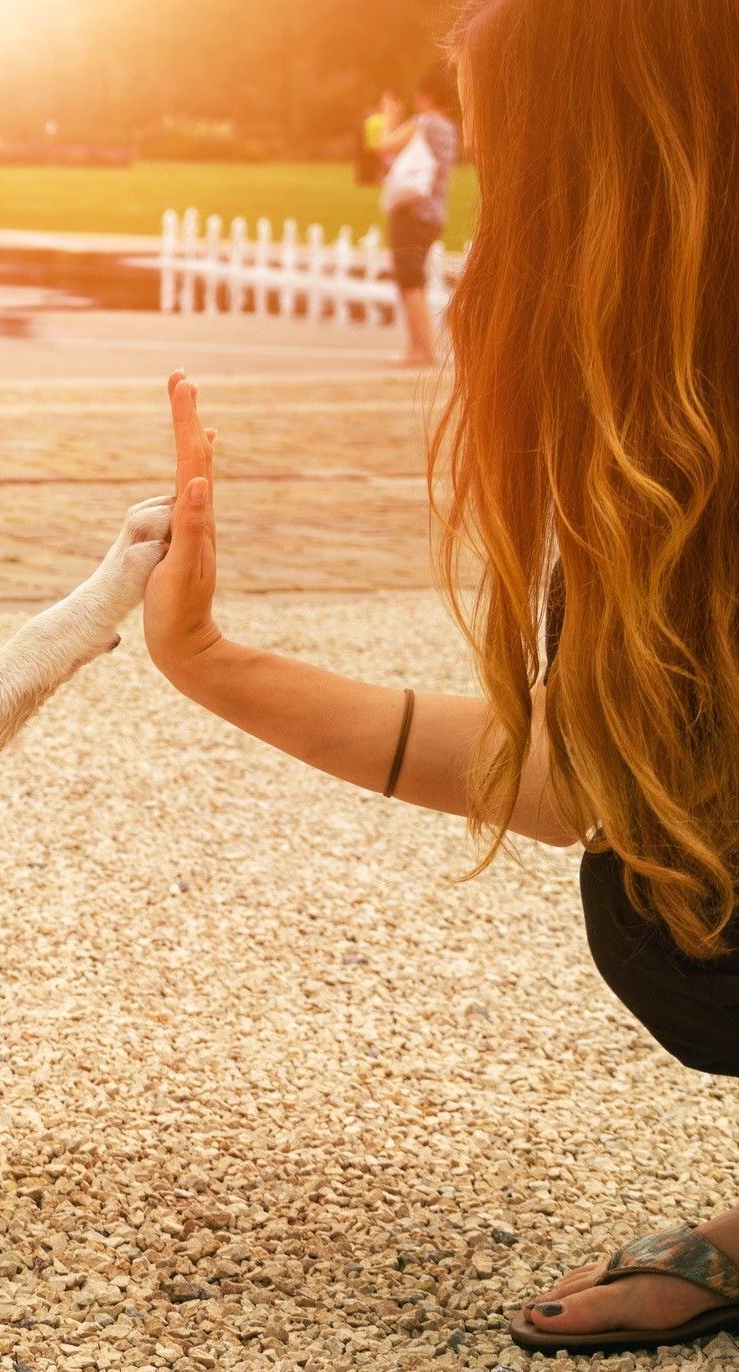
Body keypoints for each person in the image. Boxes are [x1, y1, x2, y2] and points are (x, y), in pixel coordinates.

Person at [143, 0, 739, 1355]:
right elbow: (620, 780)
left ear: (627, 183)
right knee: (673, 873)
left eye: (504, 170)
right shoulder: (682, 455)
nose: (485, 233)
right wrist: (211, 664)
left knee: (678, 922)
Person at [377, 68, 459, 367]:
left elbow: (384, 144)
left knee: (409, 281)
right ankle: (418, 348)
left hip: (412, 211)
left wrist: (389, 116)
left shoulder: (423, 123)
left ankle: (422, 349)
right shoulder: (449, 129)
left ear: (426, 95)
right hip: (434, 213)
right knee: (415, 280)